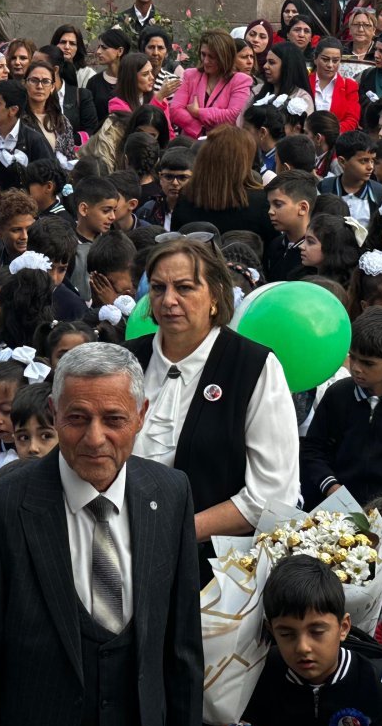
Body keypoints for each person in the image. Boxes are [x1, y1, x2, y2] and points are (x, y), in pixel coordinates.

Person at [0, 342, 204, 726]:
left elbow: (181, 658)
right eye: (77, 418)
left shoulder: (170, 493)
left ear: (141, 415)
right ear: (52, 411)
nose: (94, 438)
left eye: (114, 419)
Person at [123, 238, 296, 578]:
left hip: (215, 574)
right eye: (158, 288)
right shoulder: (127, 360)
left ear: (216, 294)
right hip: (122, 558)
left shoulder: (253, 366)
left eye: (185, 288)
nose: (168, 300)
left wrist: (178, 530)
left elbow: (273, 495)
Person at [213, 555, 382, 726]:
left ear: (343, 627)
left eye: (317, 632)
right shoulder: (255, 677)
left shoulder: (378, 681)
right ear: (271, 631)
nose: (303, 647)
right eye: (287, 634)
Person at [301, 307, 382, 505]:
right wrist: (331, 486)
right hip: (334, 509)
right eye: (352, 357)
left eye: (367, 363)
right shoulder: (337, 395)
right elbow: (313, 449)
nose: (356, 367)